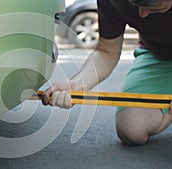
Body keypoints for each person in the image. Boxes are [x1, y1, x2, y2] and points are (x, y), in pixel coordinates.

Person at [42, 0, 172, 145]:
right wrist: (77, 85)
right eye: (135, 4)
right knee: (131, 129)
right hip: (158, 56)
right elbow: (107, 51)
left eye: (151, 8)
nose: (142, 14)